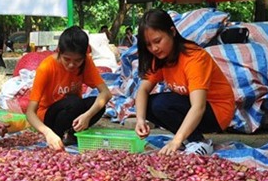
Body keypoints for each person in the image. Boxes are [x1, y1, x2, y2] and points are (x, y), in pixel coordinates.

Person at [134, 9, 235, 156]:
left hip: (217, 112)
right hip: (193, 106)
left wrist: (175, 140)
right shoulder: (160, 58)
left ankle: (198, 142)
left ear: (172, 32)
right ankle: (187, 139)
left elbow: (198, 106)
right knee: (147, 105)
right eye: (148, 45)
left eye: (157, 41)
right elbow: (142, 90)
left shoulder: (194, 58)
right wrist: (140, 120)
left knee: (161, 104)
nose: (154, 49)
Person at [25, 26, 111, 151]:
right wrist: (47, 133)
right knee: (74, 101)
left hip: (72, 111)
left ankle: (71, 134)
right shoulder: (46, 67)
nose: (71, 65)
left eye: (77, 60)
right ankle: (57, 135)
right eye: (67, 59)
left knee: (97, 105)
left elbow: (106, 93)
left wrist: (87, 116)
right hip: (50, 116)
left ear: (84, 56)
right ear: (59, 51)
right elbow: (30, 112)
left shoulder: (87, 62)